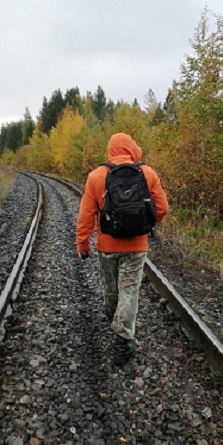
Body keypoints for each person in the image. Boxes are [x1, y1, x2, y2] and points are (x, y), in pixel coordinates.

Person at [76, 133, 168, 365]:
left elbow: (86, 215)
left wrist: (83, 243)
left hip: (107, 246)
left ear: (111, 150)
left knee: (111, 289)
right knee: (129, 291)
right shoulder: (147, 173)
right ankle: (123, 336)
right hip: (136, 247)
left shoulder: (96, 176)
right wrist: (145, 225)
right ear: (131, 149)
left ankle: (116, 322)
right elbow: (162, 208)